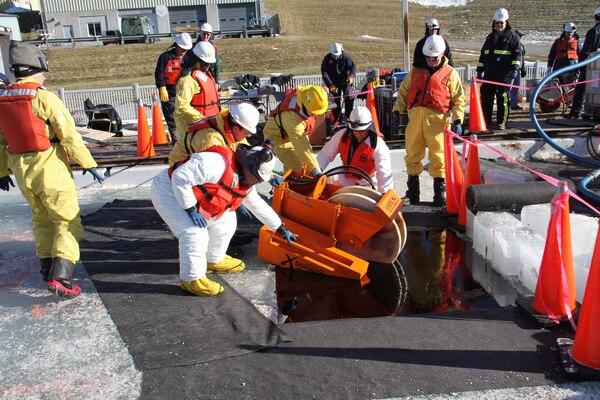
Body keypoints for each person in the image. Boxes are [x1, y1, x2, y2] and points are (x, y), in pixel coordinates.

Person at [0, 41, 105, 299]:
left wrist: (2, 171)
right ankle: (62, 276)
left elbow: (1, 141)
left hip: (22, 171)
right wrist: (88, 163)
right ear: (38, 68)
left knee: (41, 219)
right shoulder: (45, 98)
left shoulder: (2, 100)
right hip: (50, 168)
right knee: (66, 220)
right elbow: (69, 136)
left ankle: (47, 269)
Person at [150, 142, 296, 297]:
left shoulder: (244, 180)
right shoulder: (215, 164)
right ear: (249, 167)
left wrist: (280, 228)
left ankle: (213, 259)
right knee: (194, 233)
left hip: (195, 197)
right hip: (168, 192)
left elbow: (258, 206)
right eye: (258, 179)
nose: (257, 183)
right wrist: (191, 210)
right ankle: (192, 279)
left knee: (226, 223)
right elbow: (180, 177)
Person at [393, 35, 465, 207]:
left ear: (442, 55)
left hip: (438, 123)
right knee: (412, 154)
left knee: (439, 157)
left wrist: (458, 120)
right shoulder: (415, 72)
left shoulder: (450, 74)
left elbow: (458, 99)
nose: (431, 61)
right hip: (416, 121)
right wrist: (397, 110)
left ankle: (440, 194)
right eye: (428, 57)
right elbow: (403, 92)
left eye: (435, 58)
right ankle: (413, 193)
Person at [316, 106, 393, 193]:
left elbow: (384, 173)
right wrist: (317, 171)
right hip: (346, 176)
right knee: (323, 182)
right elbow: (326, 154)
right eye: (355, 130)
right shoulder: (341, 136)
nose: (358, 133)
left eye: (362, 131)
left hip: (367, 182)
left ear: (369, 127)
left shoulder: (378, 145)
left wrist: (384, 193)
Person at [263, 85, 328, 175]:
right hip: (279, 138)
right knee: (303, 171)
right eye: (312, 112)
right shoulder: (291, 117)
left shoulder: (309, 95)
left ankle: (285, 184)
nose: (314, 115)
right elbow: (300, 143)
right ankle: (287, 185)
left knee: (295, 170)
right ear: (305, 104)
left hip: (293, 135)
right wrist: (315, 168)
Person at [476, 8, 521, 130]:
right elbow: (483, 54)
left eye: (501, 23)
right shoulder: (490, 38)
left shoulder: (513, 37)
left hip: (504, 75)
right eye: (497, 23)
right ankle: (485, 121)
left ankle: (502, 122)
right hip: (490, 74)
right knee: (486, 98)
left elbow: (517, 55)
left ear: (506, 22)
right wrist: (480, 70)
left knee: (503, 98)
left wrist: (514, 69)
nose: (499, 25)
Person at [174, 40, 220, 141]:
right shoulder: (187, 80)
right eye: (205, 62)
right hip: (192, 129)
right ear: (197, 60)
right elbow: (182, 106)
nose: (208, 65)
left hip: (208, 126)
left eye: (210, 63)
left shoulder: (206, 75)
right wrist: (202, 119)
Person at [155, 33, 193, 145]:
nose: (184, 51)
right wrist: (162, 88)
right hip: (170, 95)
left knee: (188, 120)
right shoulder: (165, 57)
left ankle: (189, 143)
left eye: (186, 49)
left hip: (186, 95)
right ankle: (178, 145)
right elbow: (159, 74)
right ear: (176, 45)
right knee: (173, 122)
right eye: (182, 48)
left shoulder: (190, 58)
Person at [566, 8, 600, 120]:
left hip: (590, 67)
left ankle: (575, 111)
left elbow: (586, 49)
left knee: (581, 88)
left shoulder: (593, 31)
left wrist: (581, 65)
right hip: (594, 65)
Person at [321, 43, 356, 124]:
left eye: (337, 55)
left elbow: (353, 67)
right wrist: (330, 85)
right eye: (334, 55)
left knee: (349, 97)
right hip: (333, 83)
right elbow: (324, 73)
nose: (336, 57)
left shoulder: (345, 57)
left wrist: (351, 77)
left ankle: (349, 117)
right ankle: (338, 120)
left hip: (345, 81)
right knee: (333, 101)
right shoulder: (327, 59)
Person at [509, 30, 527, 110]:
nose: (520, 37)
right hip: (511, 69)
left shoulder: (522, 45)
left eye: (521, 36)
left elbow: (522, 58)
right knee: (509, 87)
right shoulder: (510, 44)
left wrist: (523, 69)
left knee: (516, 87)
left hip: (518, 69)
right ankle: (509, 104)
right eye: (519, 35)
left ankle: (513, 103)